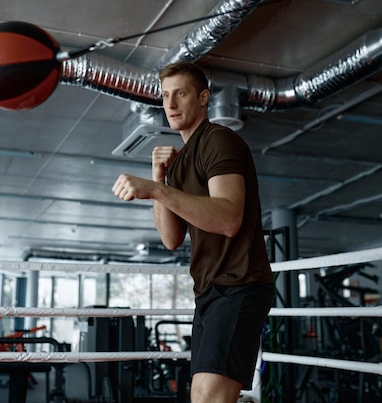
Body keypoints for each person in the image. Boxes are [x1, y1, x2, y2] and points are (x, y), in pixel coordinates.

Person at [112, 61, 274, 403]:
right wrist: (159, 180)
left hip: (239, 284)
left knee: (207, 398)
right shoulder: (182, 161)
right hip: (210, 292)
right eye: (165, 96)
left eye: (180, 94)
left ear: (203, 98)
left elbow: (229, 217)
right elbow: (171, 239)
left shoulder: (219, 140)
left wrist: (156, 191)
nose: (170, 105)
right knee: (204, 396)